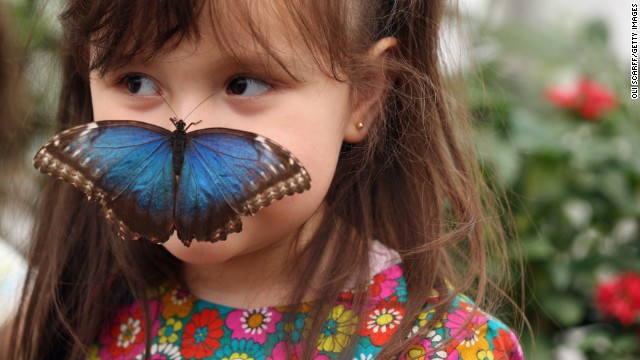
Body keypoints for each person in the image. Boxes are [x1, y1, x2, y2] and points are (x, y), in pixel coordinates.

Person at [4, 1, 524, 359]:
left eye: (244, 83)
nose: (180, 119)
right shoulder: (70, 315)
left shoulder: (443, 348)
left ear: (364, 93)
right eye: (135, 82)